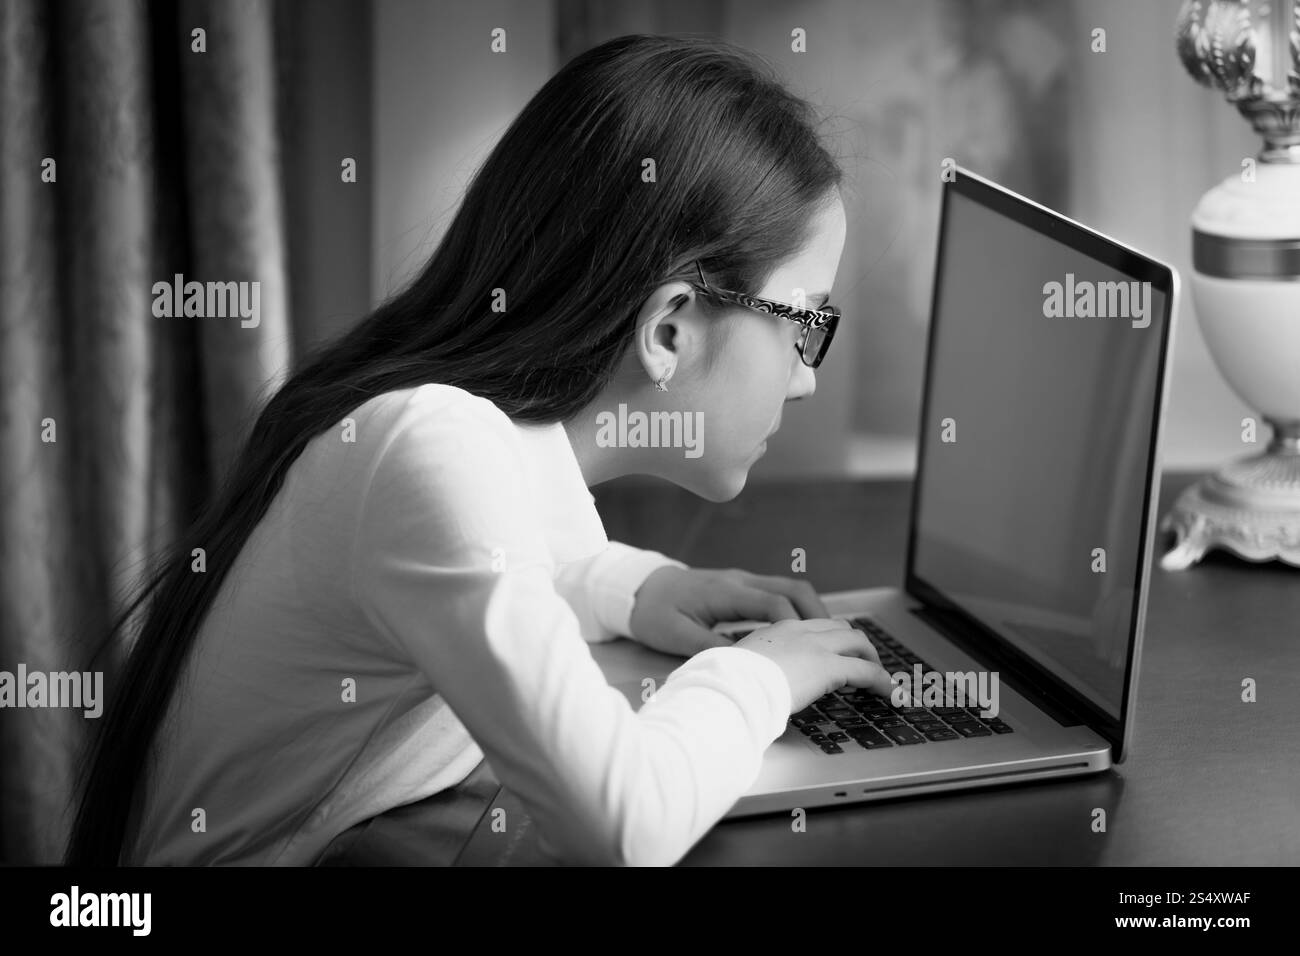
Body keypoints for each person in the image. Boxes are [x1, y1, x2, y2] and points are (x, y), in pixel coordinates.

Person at [65, 33, 891, 868]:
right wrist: (766, 678)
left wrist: (644, 589)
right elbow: (624, 824)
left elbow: (506, 570)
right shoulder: (430, 448)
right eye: (806, 323)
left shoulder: (454, 432)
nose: (805, 381)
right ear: (669, 328)